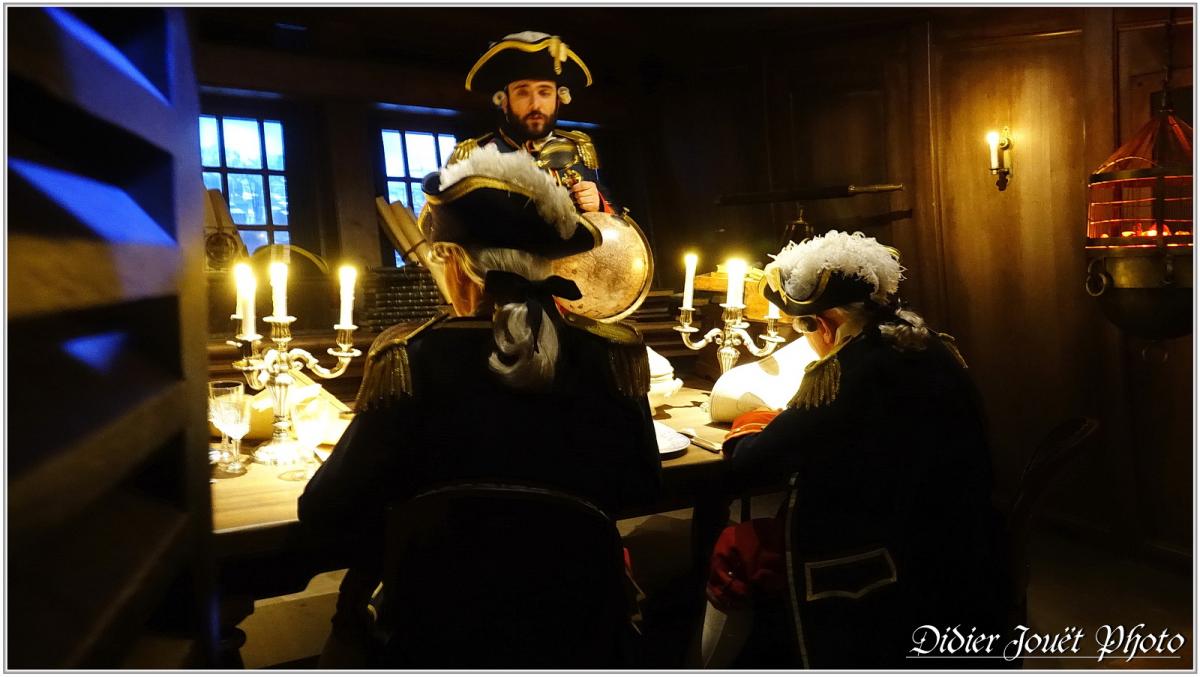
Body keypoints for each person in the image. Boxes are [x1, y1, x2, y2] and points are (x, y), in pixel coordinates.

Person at [298, 146, 661, 665]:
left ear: (459, 262)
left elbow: (324, 508)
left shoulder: (409, 358)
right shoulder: (611, 353)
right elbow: (642, 485)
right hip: (580, 629)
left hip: (433, 634)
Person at [697, 230, 1009, 668]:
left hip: (872, 552)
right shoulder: (930, 343)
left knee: (736, 542)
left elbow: (750, 465)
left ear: (824, 324)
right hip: (961, 543)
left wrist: (749, 425)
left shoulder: (844, 371)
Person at [452, 31, 615, 214]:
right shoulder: (475, 156)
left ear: (558, 100)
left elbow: (618, 230)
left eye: (544, 92)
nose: (535, 104)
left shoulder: (577, 148)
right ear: (504, 101)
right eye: (522, 92)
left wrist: (599, 206)